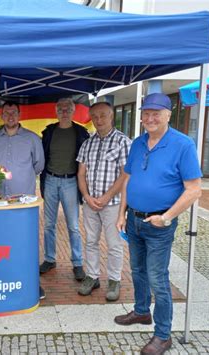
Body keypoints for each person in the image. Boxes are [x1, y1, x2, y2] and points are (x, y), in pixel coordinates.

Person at [114, 93, 202, 355]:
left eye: (156, 113)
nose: (150, 118)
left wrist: (166, 217)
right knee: (138, 271)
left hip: (159, 224)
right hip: (134, 220)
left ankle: (163, 335)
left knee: (157, 278)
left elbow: (194, 190)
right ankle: (142, 312)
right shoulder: (138, 143)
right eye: (146, 113)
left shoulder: (183, 145)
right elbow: (128, 180)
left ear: (168, 114)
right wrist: (122, 213)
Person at [0, 101, 46, 299]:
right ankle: (4, 278)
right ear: (1, 115)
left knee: (26, 241)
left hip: (24, 200)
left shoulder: (32, 139)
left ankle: (31, 281)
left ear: (20, 114)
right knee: (0, 239)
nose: (10, 116)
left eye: (14, 112)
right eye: (7, 113)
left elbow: (39, 165)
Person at [76, 102, 131, 301]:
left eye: (103, 116)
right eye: (95, 117)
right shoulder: (87, 143)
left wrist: (106, 197)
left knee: (114, 244)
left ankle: (114, 280)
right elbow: (81, 173)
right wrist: (87, 196)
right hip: (90, 203)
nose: (98, 120)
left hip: (113, 203)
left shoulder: (123, 142)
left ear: (111, 116)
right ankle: (92, 276)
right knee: (91, 241)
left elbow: (126, 174)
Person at [39, 97, 89, 281]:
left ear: (73, 110)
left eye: (67, 108)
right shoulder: (49, 131)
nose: (64, 111)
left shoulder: (81, 133)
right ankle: (50, 259)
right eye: (60, 108)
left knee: (74, 226)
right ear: (56, 111)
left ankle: (77, 263)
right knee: (49, 224)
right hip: (51, 180)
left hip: (71, 182)